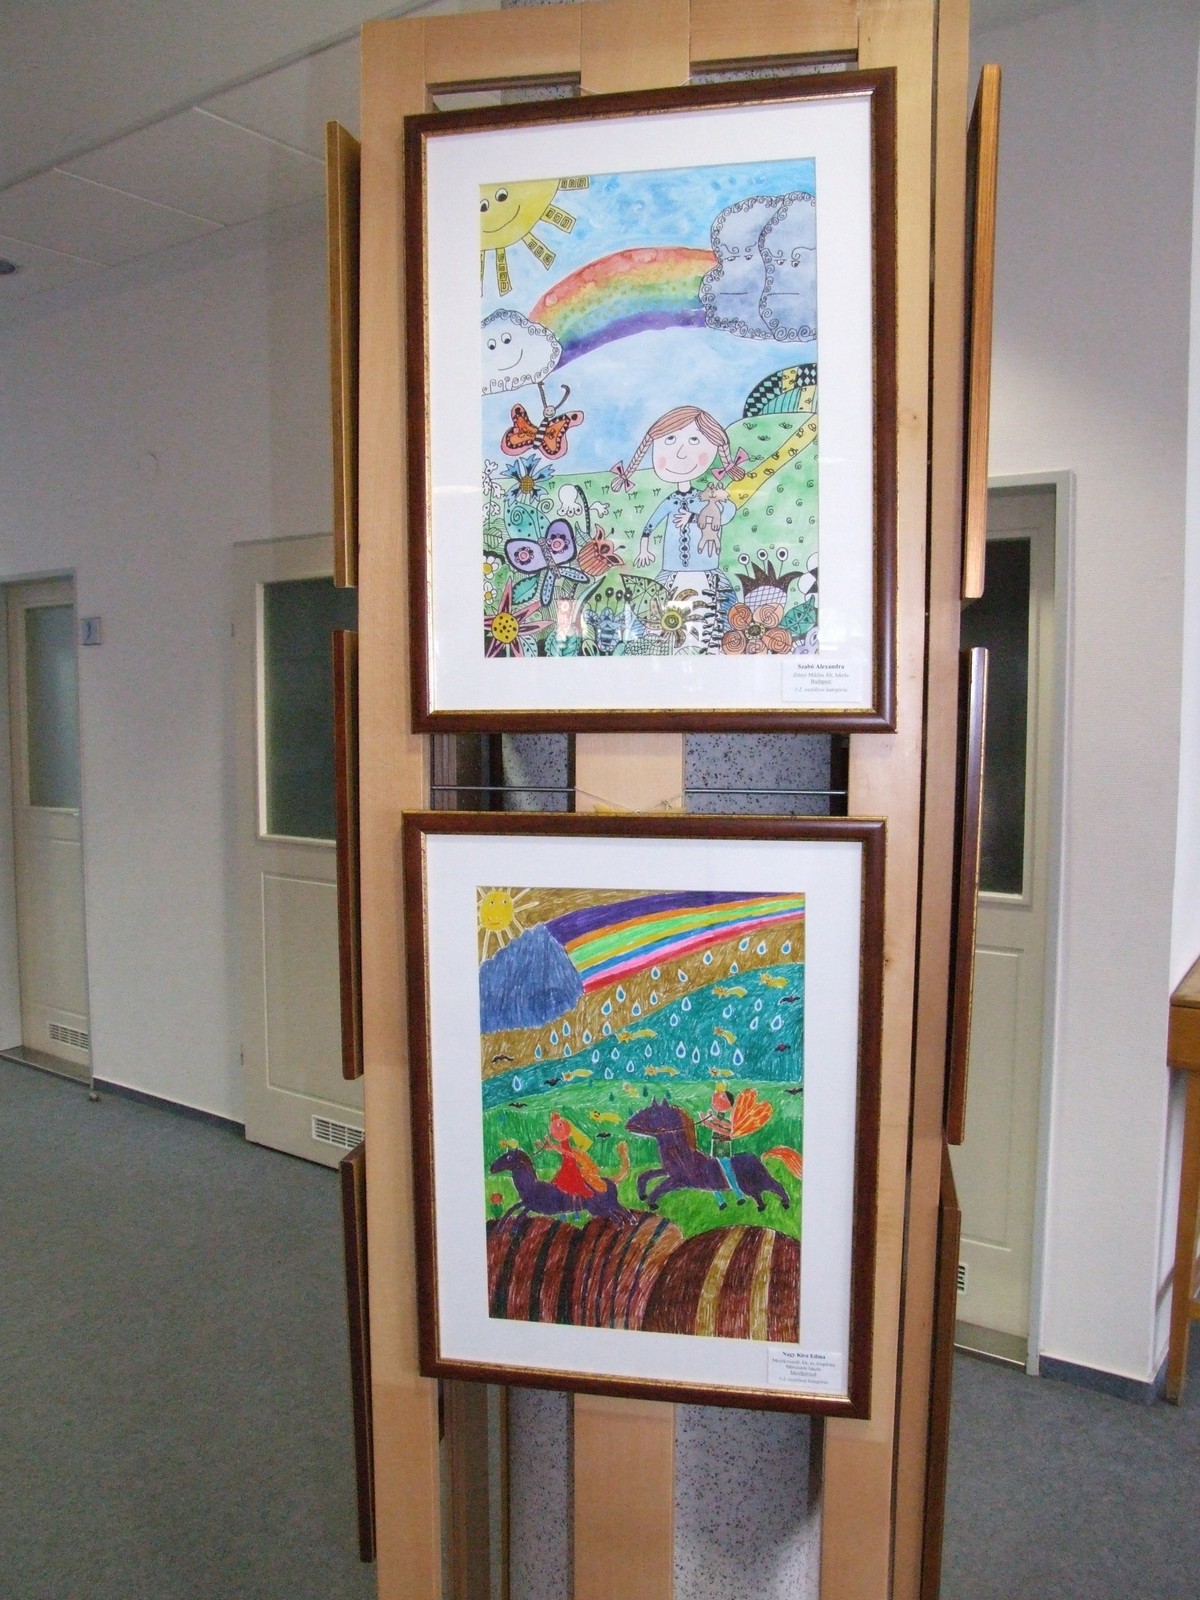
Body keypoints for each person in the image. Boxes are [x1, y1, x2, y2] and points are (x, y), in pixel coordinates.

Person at [621, 406, 742, 580]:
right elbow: (650, 526)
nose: (680, 453)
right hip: (672, 569)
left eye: (694, 439)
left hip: (706, 569)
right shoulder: (671, 501)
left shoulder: (706, 498)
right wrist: (644, 550)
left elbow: (727, 513)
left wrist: (693, 518)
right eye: (670, 439)